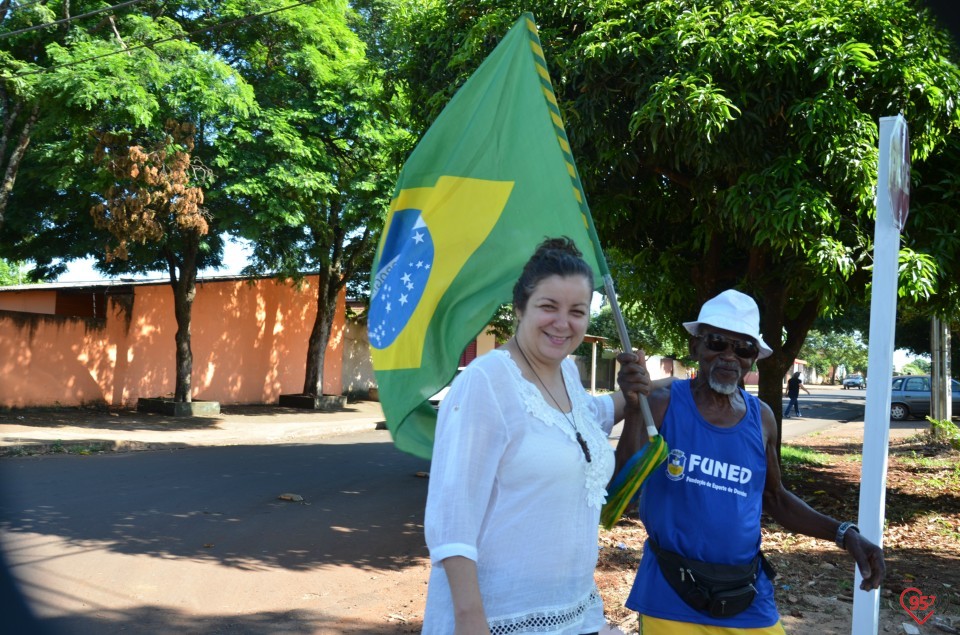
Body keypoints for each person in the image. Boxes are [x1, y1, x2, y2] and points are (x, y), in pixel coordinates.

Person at [421, 237, 655, 635]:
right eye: (549, 307)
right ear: (519, 309)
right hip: (499, 617)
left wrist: (637, 392)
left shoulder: (566, 374)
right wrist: (469, 622)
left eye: (577, 311)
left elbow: (585, 418)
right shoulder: (486, 382)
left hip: (573, 609)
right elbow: (452, 516)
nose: (563, 323)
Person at [615, 289, 885, 634]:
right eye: (716, 343)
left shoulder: (763, 419)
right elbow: (620, 484)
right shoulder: (661, 404)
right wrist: (635, 409)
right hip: (670, 594)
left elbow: (774, 497)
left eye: (743, 348)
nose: (729, 356)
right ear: (695, 347)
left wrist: (844, 533)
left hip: (746, 594)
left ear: (753, 358)